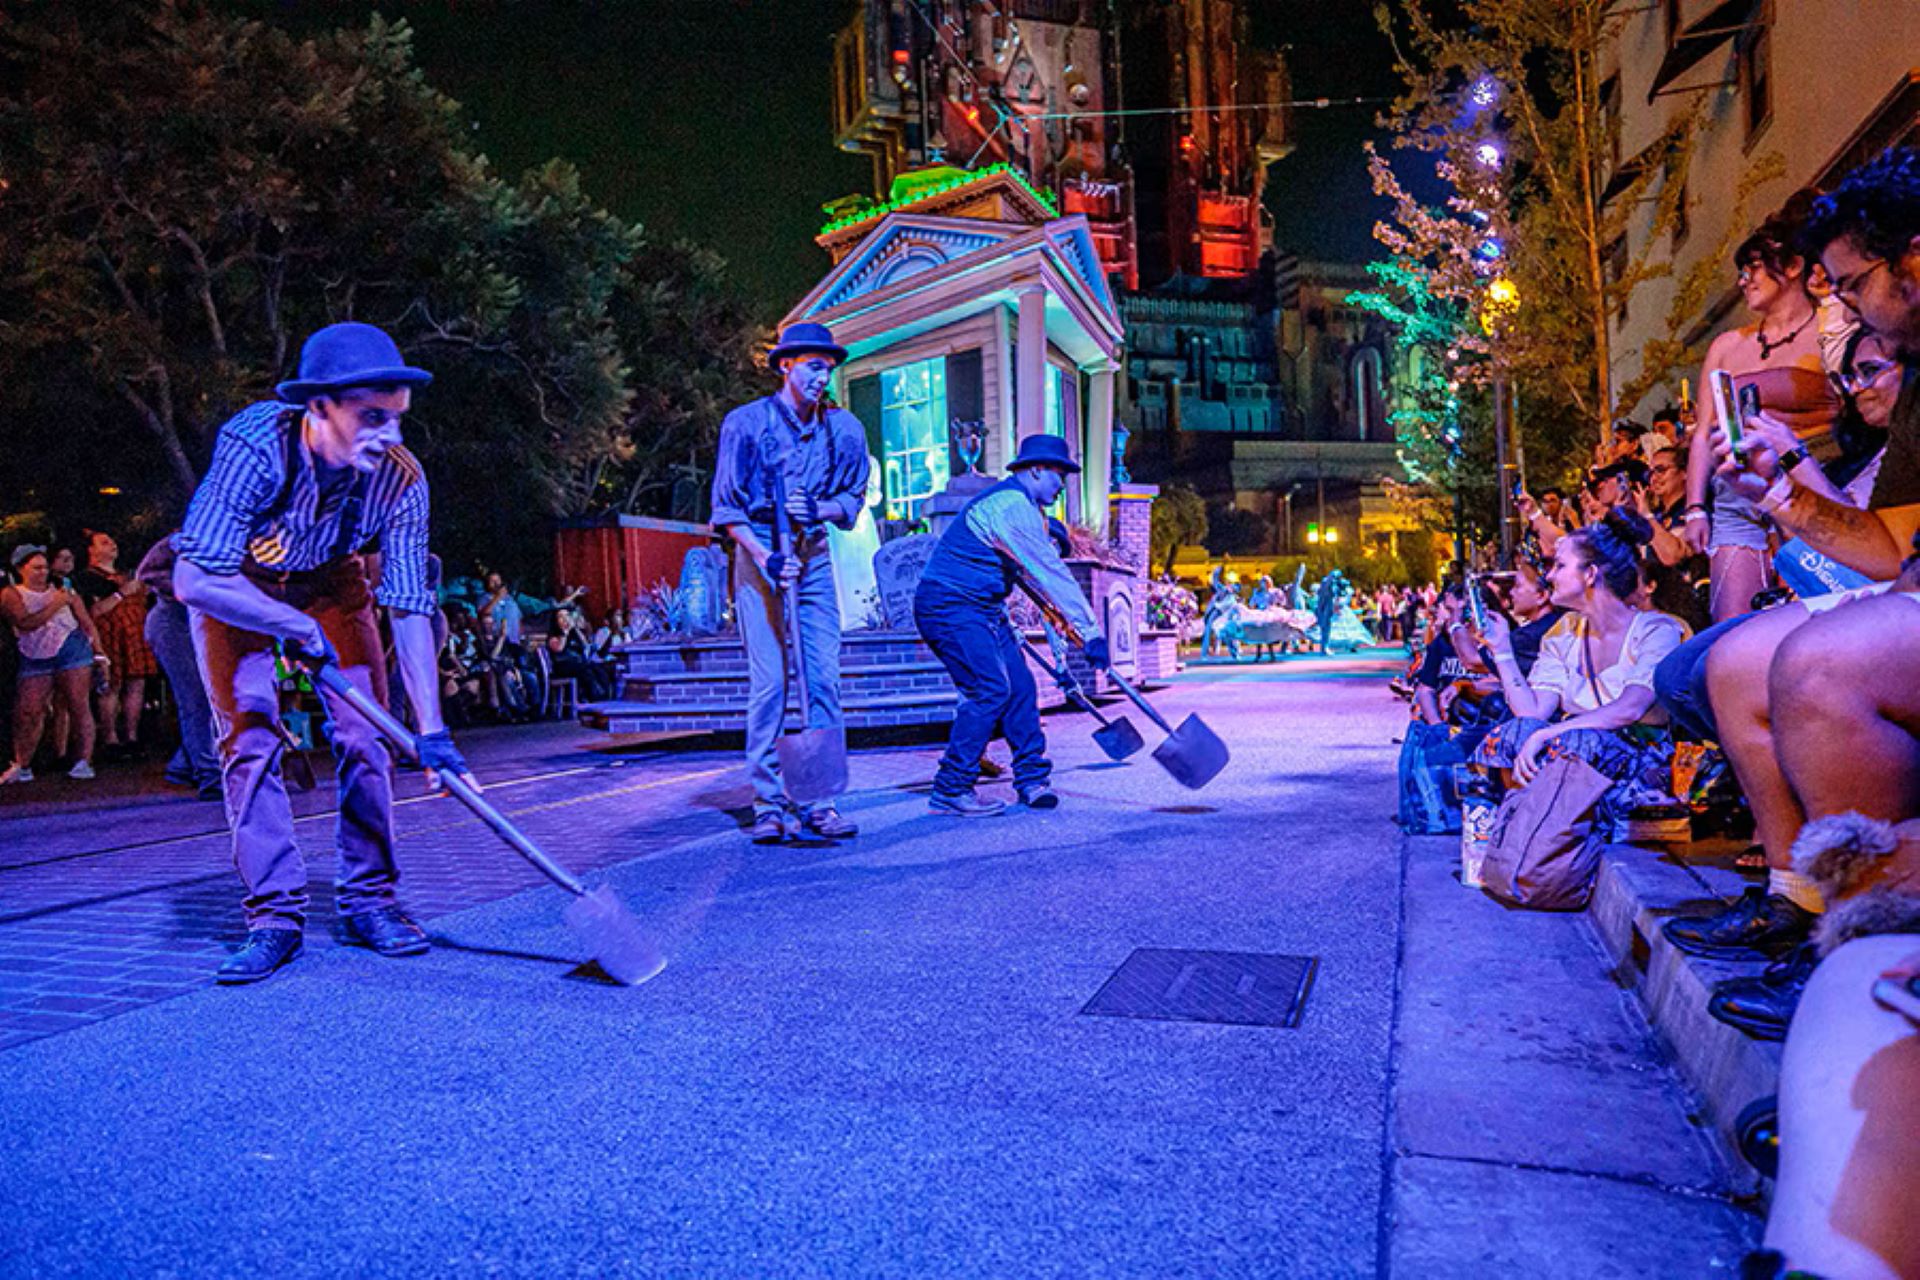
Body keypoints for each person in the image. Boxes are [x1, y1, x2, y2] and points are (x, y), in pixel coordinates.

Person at [172, 321, 473, 984]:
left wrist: (432, 730)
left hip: (334, 579)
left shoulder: (400, 478)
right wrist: (287, 624)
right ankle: (274, 917)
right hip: (237, 584)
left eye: (397, 419)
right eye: (371, 417)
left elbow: (407, 604)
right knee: (249, 738)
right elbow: (193, 579)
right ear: (318, 407)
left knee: (368, 734)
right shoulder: (256, 446)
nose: (388, 436)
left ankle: (371, 900)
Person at [709, 321, 870, 845]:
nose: (823, 376)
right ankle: (769, 802)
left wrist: (817, 507)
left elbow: (851, 500)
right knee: (773, 683)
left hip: (813, 554)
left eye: (828, 368)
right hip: (758, 551)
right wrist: (765, 556)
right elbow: (726, 508)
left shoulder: (844, 431)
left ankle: (819, 801)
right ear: (786, 366)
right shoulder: (745, 424)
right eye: (812, 366)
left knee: (823, 678)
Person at [914, 434, 1107, 817]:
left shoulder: (1026, 511)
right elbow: (1051, 575)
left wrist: (1064, 661)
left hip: (984, 609)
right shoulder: (1010, 507)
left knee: (1021, 687)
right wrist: (1092, 632)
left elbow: (1045, 595)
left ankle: (1032, 781)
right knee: (990, 689)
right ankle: (951, 788)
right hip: (950, 604)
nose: (1062, 485)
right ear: (1036, 470)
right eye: (1059, 475)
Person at [1467, 511, 1690, 827]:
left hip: (1640, 767)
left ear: (1590, 574)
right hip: (1574, 758)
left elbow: (1631, 707)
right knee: (1515, 733)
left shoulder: (1657, 630)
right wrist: (1501, 650)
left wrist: (1550, 733)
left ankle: (1538, 830)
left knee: (1575, 742)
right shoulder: (1565, 631)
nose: (1549, 576)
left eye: (1559, 565)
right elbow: (1532, 714)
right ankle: (1526, 829)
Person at [1684, 198, 1844, 622]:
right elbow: (1703, 432)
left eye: (1752, 268)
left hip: (1810, 480)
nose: (1743, 282)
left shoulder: (1829, 330)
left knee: (1817, 612)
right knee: (1732, 625)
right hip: (1737, 492)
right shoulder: (1727, 345)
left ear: (1791, 267)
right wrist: (1695, 507)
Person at [1, 544, 102, 783]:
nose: (42, 573)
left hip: (70, 647)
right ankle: (22, 763)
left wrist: (99, 653)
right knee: (28, 710)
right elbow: (25, 622)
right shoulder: (11, 594)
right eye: (35, 568)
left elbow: (86, 621)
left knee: (78, 704)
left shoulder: (65, 590)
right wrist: (55, 604)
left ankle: (83, 761)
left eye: (45, 567)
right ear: (20, 569)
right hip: (34, 652)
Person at [135, 536, 222, 799]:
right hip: (174, 623)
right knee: (195, 698)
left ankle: (183, 765)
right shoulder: (182, 539)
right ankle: (210, 774)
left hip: (205, 622)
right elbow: (147, 572)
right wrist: (185, 590)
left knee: (209, 696)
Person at [73, 529, 159, 760]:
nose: (112, 545)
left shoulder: (129, 574)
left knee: (136, 684)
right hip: (109, 635)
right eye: (104, 542)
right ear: (91, 550)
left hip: (135, 633)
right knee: (111, 685)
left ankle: (131, 736)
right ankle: (110, 738)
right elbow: (94, 611)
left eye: (112, 541)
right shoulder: (88, 578)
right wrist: (122, 594)